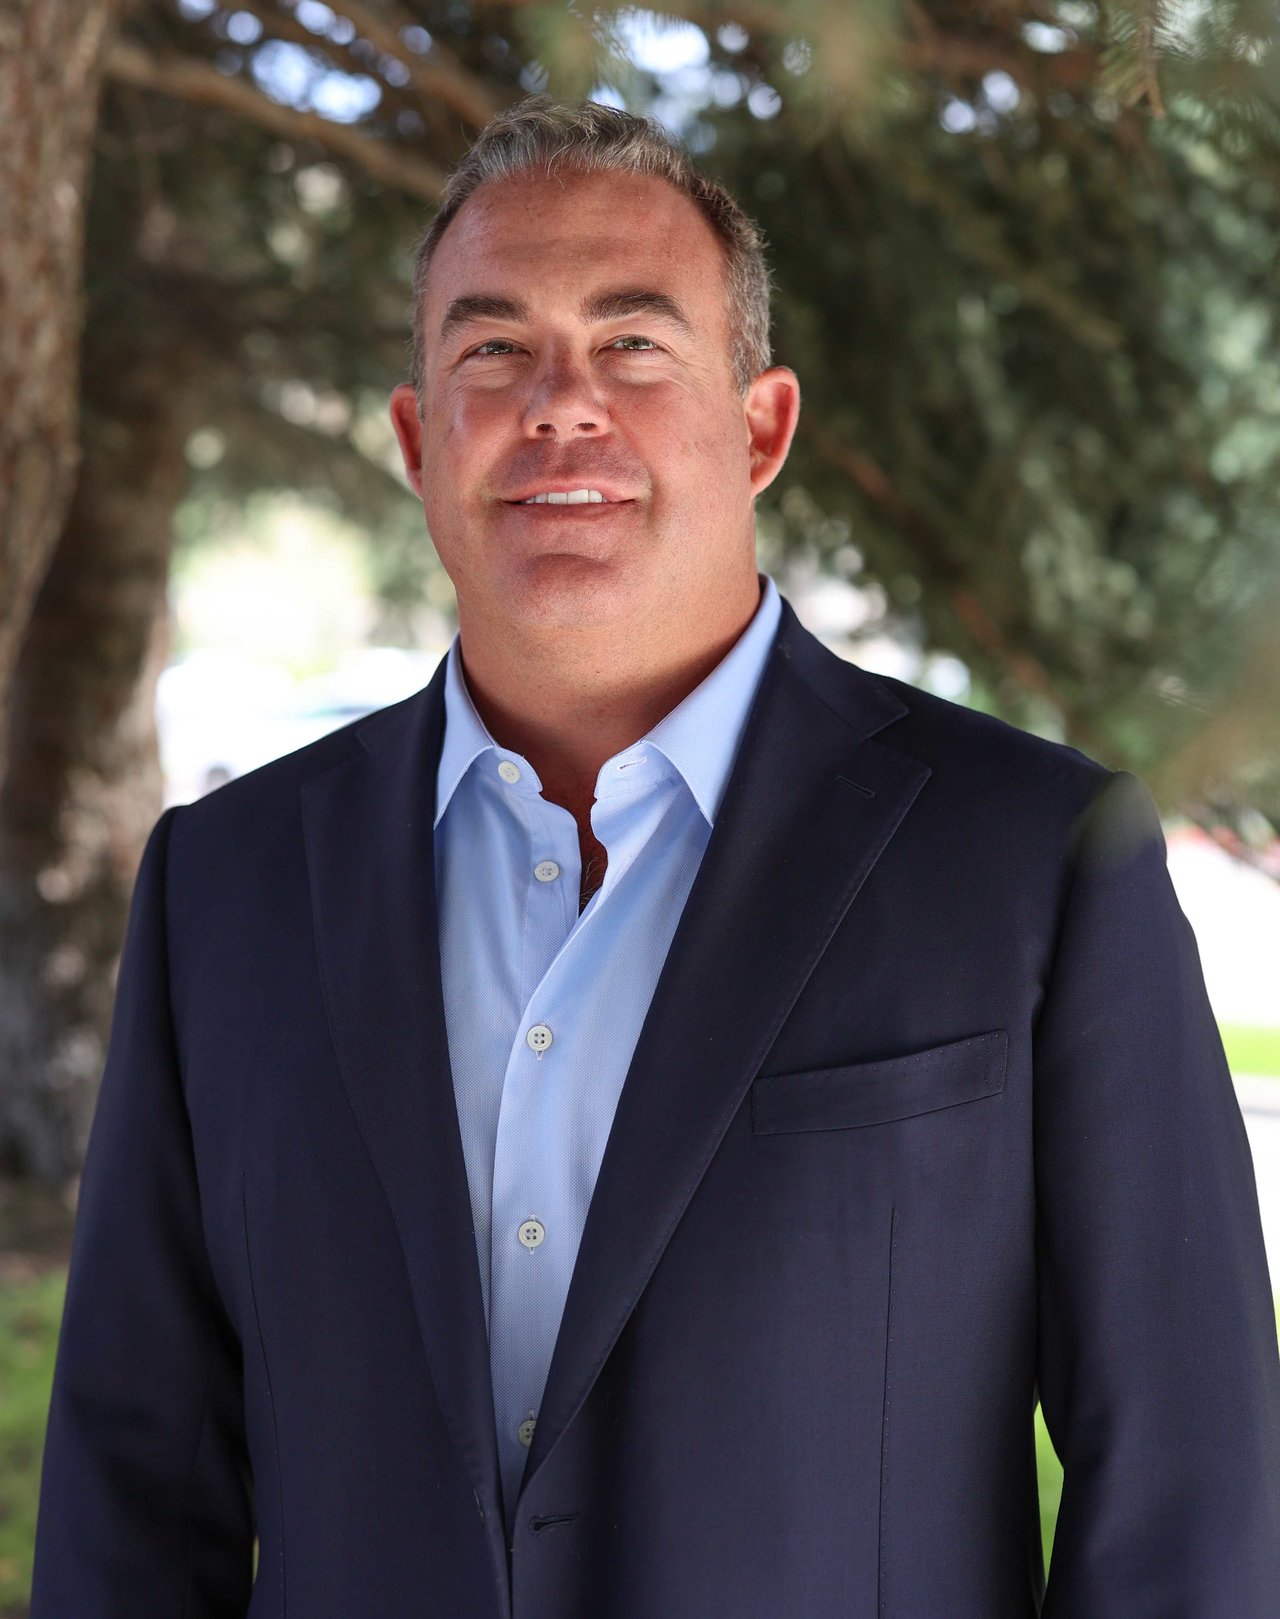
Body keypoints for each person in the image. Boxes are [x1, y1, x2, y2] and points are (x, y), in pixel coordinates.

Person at [30, 95, 1280, 1619]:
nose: (563, 405)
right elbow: (131, 1500)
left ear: (760, 428)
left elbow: (1195, 1503)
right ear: (419, 440)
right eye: (495, 350)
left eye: (633, 344)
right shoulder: (223, 887)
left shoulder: (1035, 864)